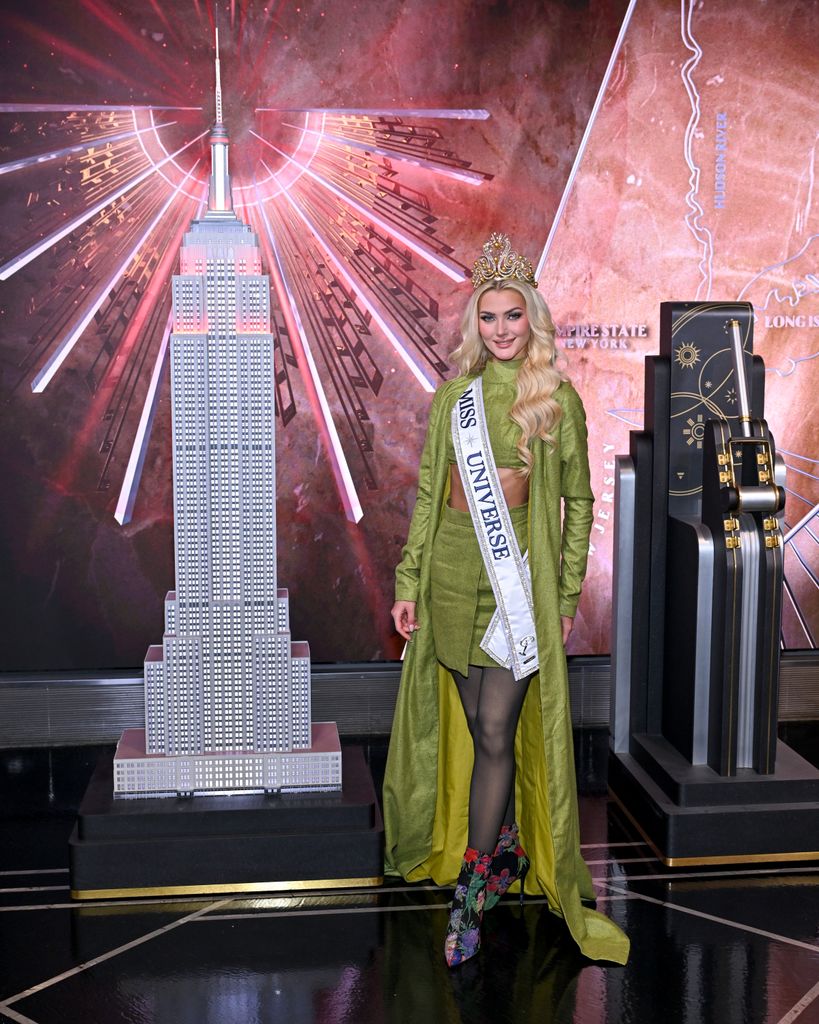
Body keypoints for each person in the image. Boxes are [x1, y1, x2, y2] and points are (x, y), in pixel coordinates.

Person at [382, 234, 629, 968]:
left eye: (511, 317)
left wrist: (560, 596)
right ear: (474, 325)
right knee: (476, 726)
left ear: (532, 320)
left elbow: (578, 505)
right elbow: (430, 493)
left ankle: (472, 888)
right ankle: (504, 846)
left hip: (515, 582)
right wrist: (407, 580)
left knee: (495, 731)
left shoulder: (554, 401)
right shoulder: (452, 400)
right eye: (487, 317)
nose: (499, 330)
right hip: (451, 580)